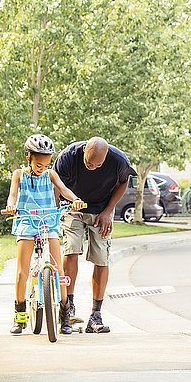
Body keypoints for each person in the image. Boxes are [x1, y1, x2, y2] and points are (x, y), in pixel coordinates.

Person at [53, 137, 137, 333]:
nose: (91, 167)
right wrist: (53, 209)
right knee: (71, 250)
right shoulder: (68, 156)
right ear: (84, 151)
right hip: (72, 207)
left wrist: (108, 211)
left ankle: (96, 315)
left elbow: (123, 183)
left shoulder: (119, 161)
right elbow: (56, 185)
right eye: (88, 163)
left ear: (106, 158)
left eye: (96, 165)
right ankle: (67, 308)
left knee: (101, 259)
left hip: (101, 209)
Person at [5, 134, 85, 335]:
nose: (42, 168)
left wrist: (75, 199)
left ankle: (65, 316)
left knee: (58, 271)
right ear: (29, 158)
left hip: (48, 222)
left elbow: (64, 190)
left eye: (46, 163)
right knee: (22, 272)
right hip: (26, 222)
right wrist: (11, 205)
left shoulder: (50, 175)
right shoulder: (18, 175)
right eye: (39, 164)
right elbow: (13, 195)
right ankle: (20, 314)